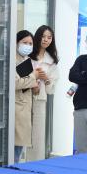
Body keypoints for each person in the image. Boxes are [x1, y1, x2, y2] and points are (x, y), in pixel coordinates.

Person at [29, 25, 59, 160]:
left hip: (39, 100)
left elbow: (51, 89)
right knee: (21, 133)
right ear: (37, 37)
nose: (46, 40)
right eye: (43, 36)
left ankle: (35, 163)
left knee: (37, 135)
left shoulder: (51, 62)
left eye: (49, 37)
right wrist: (33, 80)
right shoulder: (27, 56)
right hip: (23, 98)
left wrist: (45, 79)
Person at [13, 30, 39, 162]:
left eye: (30, 43)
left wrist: (35, 86)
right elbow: (15, 83)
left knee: (18, 149)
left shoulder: (26, 60)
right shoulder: (12, 60)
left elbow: (27, 84)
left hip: (24, 107)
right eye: (25, 42)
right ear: (16, 43)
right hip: (16, 108)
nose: (28, 46)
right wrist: (34, 77)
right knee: (13, 150)